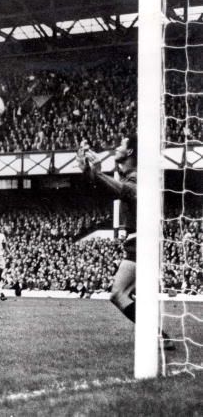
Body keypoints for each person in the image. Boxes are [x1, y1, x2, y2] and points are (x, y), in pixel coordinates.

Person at [77, 136, 175, 350]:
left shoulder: (138, 177)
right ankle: (159, 335)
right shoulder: (131, 175)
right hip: (141, 241)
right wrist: (89, 170)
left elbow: (125, 191)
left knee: (119, 294)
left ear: (130, 152)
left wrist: (97, 171)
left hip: (142, 241)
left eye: (121, 145)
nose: (117, 148)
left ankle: (159, 335)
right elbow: (108, 187)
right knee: (127, 294)